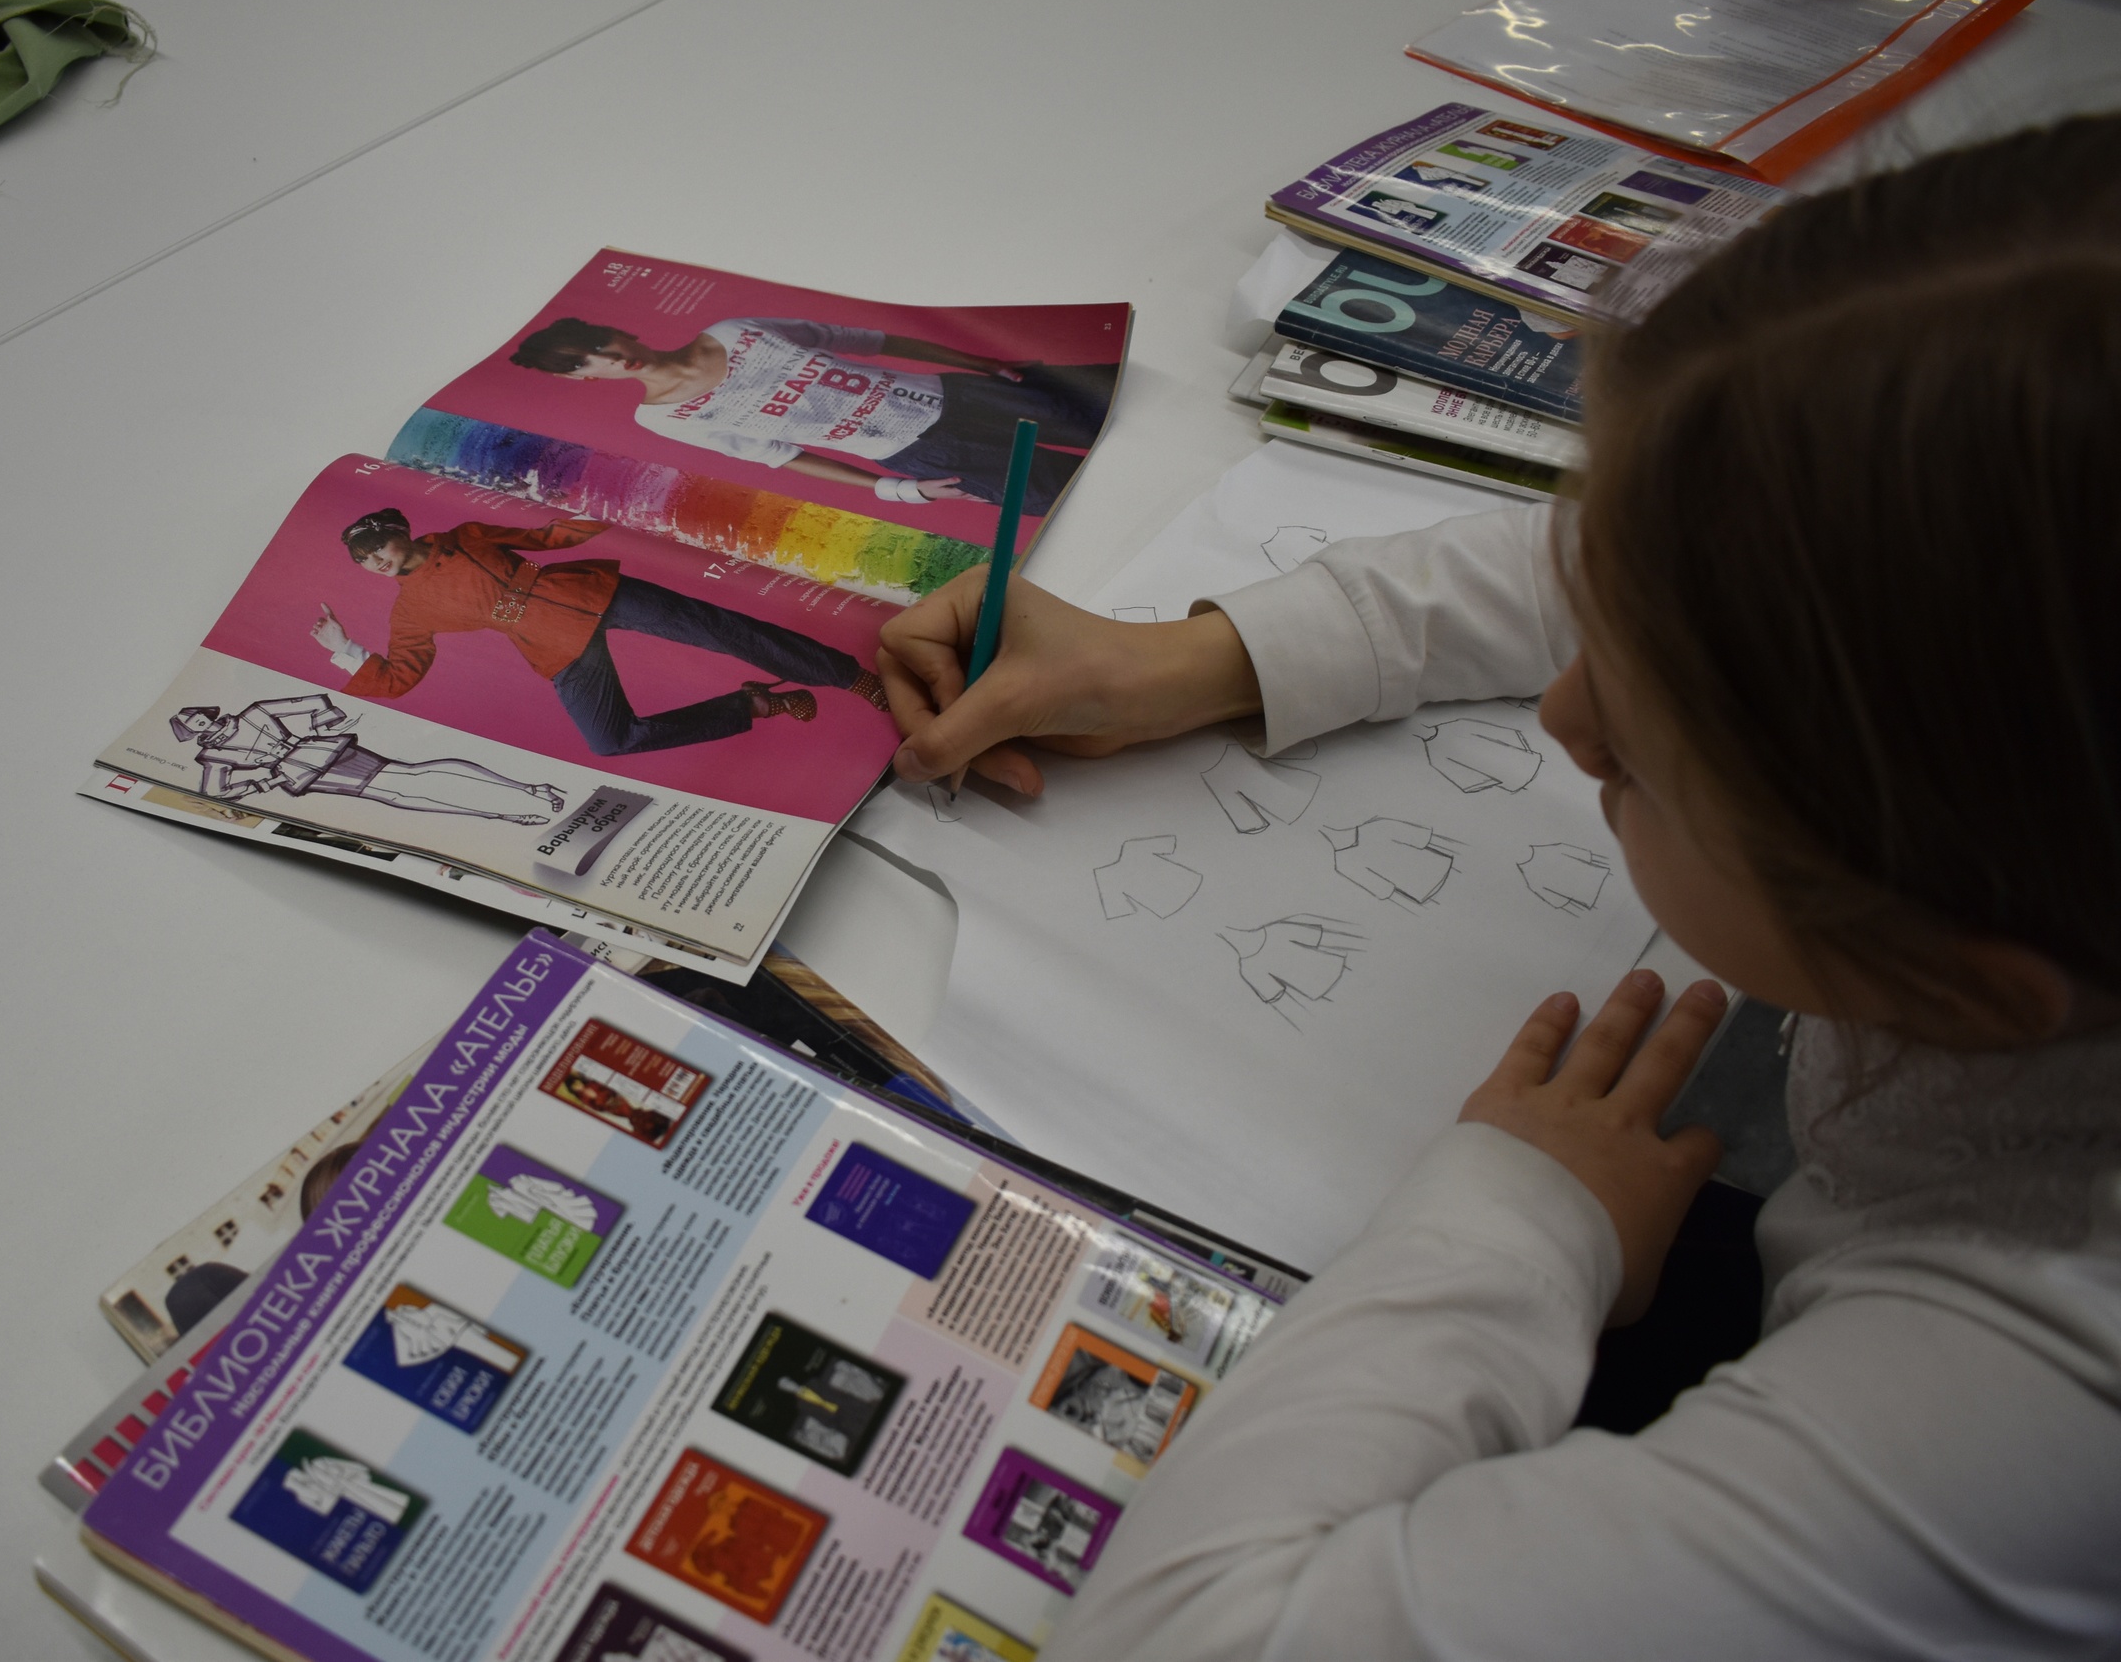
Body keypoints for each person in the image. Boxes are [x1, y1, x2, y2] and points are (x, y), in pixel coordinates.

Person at [877, 114, 2121, 1655]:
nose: (1563, 713)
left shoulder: (2034, 1402)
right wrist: (1209, 654)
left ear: (1954, 978)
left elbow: (1190, 1636)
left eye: (1638, 756)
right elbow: (1636, 558)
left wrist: (1523, 1226)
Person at [313, 508, 886, 756]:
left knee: (723, 629)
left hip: (587, 592)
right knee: (609, 740)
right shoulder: (410, 612)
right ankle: (754, 705)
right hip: (550, 644)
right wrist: (345, 649)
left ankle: (849, 676)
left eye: (377, 546)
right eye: (363, 560)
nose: (374, 561)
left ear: (401, 532)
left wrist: (601, 512)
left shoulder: (465, 535)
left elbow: (545, 538)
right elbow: (399, 676)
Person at [508, 314, 1117, 514]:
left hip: (962, 396)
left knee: (1111, 413)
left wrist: (980, 362)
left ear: (616, 330)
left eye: (599, 342)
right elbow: (782, 456)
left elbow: (864, 339)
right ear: (583, 379)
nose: (609, 358)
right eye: (585, 363)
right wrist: (899, 490)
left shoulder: (733, 330)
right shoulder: (662, 419)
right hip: (921, 453)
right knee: (1074, 498)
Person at [169, 696, 564, 823]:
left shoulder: (255, 712)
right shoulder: (211, 755)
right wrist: (257, 784)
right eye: (195, 726)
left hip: (318, 750)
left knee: (413, 772)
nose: (204, 725)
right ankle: (502, 815)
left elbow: (315, 701)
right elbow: (214, 793)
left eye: (201, 717)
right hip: (297, 774)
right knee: (393, 796)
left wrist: (323, 725)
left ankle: (529, 787)